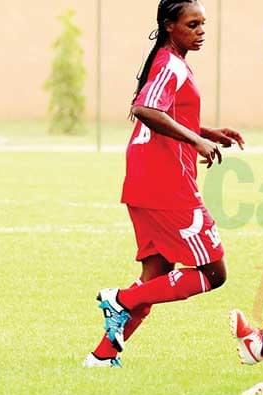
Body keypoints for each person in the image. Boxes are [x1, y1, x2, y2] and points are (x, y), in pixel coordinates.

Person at [83, 0, 245, 368]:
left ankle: (102, 356)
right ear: (170, 25)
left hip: (147, 180)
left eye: (203, 24)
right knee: (213, 273)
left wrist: (206, 133)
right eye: (192, 24)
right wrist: (196, 141)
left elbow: (166, 114)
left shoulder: (169, 61)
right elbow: (144, 110)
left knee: (156, 276)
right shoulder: (170, 63)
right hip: (165, 182)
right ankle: (120, 299)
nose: (201, 31)